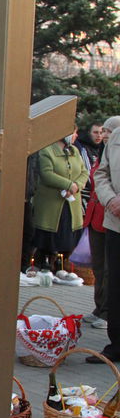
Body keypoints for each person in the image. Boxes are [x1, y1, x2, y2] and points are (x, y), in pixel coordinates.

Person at [31, 130, 88, 272]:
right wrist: (68, 185)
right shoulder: (47, 150)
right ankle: (44, 264)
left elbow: (84, 172)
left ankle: (62, 267)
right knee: (49, 236)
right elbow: (47, 173)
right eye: (74, 132)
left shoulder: (74, 150)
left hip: (71, 201)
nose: (76, 136)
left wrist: (77, 186)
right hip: (51, 203)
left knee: (67, 234)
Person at [83, 116, 120, 331]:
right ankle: (101, 309)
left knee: (109, 271)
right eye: (103, 131)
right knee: (100, 267)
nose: (104, 135)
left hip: (111, 216)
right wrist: (111, 199)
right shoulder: (107, 149)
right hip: (105, 216)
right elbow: (100, 175)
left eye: (108, 130)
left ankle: (107, 312)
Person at [93, 125, 120, 363]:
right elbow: (101, 173)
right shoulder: (117, 136)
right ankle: (116, 344)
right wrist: (110, 199)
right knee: (115, 283)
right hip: (116, 221)